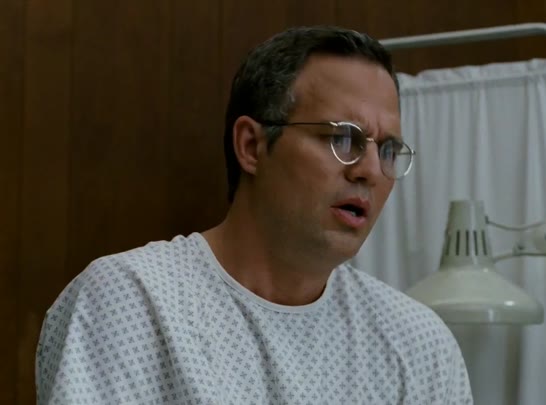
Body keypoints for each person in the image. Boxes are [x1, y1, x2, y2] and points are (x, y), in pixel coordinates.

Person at [36, 25, 473, 404]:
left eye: (389, 150)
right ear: (251, 146)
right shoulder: (132, 301)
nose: (371, 171)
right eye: (343, 138)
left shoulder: (417, 342)